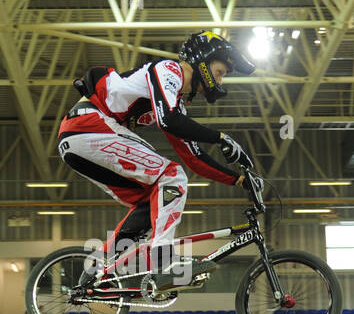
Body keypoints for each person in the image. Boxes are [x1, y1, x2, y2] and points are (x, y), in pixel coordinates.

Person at [56, 30, 256, 290]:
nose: (221, 80)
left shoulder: (175, 102)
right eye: (221, 72)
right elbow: (169, 121)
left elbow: (194, 158)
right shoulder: (168, 70)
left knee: (155, 200)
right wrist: (220, 137)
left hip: (80, 140)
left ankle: (97, 268)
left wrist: (240, 180)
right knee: (172, 176)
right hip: (89, 126)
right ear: (204, 63)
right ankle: (163, 261)